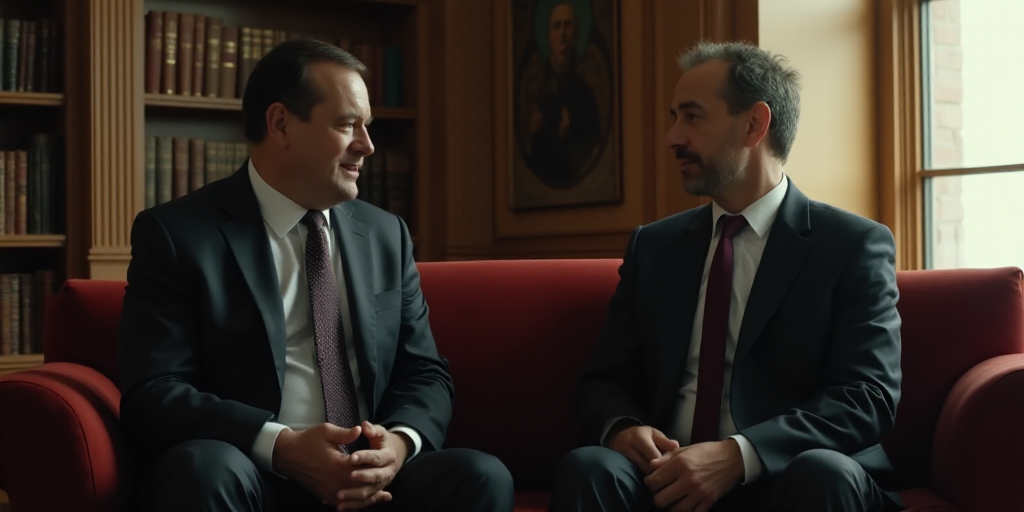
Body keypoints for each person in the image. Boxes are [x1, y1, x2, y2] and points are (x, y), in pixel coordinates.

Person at [118, 39, 514, 512]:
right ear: (281, 124)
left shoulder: (387, 234)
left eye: (367, 126)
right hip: (253, 472)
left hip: (373, 478)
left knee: (479, 475)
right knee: (205, 470)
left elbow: (423, 371)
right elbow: (155, 392)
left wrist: (400, 444)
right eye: (347, 125)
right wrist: (281, 445)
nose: (367, 145)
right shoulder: (177, 234)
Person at [549, 41, 903, 512]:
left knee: (825, 474)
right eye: (673, 117)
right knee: (590, 467)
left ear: (755, 124)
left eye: (692, 117)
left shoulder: (852, 245)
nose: (672, 137)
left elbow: (868, 397)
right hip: (665, 479)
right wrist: (622, 428)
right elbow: (604, 380)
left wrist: (739, 456)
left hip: (788, 477)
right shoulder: (653, 247)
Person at [527, 1, 602, 189]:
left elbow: (594, 144)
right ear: (548, 36)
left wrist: (572, 134)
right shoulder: (535, 87)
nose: (562, 34)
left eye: (568, 25)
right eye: (557, 26)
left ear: (576, 34)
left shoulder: (585, 92)